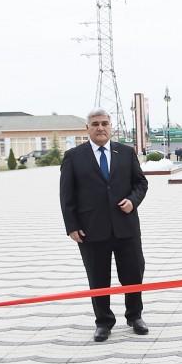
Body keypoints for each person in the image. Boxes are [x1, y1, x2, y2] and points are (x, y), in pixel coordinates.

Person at [60, 108, 150, 342]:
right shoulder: (74, 157)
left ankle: (135, 316)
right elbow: (66, 195)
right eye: (95, 124)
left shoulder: (126, 153)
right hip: (91, 229)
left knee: (133, 273)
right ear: (87, 128)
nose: (100, 128)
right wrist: (72, 226)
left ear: (111, 126)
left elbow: (141, 183)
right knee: (98, 278)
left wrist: (132, 201)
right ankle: (103, 322)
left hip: (126, 227)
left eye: (105, 123)